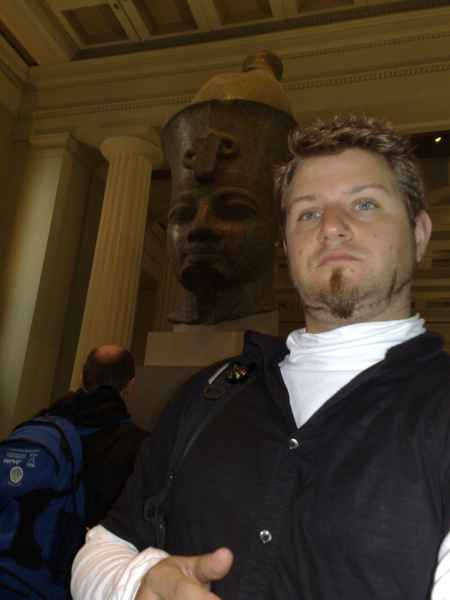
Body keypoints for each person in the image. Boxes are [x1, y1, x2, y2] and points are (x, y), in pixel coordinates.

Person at [71, 114, 450, 600]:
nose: (333, 227)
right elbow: (105, 544)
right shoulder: (209, 395)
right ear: (286, 247)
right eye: (308, 213)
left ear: (419, 233)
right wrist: (135, 582)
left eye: (365, 203)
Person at [43, 344, 148, 526]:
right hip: (88, 539)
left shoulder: (45, 421)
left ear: (82, 377)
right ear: (130, 385)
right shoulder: (139, 444)